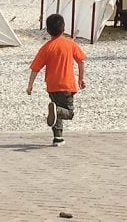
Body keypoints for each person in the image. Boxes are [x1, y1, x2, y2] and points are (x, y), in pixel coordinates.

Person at [26, 14, 86, 146]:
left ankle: (57, 137)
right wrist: (81, 78)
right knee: (68, 112)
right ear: (63, 28)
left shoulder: (47, 47)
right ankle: (57, 110)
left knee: (55, 109)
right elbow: (81, 61)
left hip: (52, 85)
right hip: (67, 85)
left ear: (48, 30)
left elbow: (35, 68)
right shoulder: (70, 44)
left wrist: (30, 85)